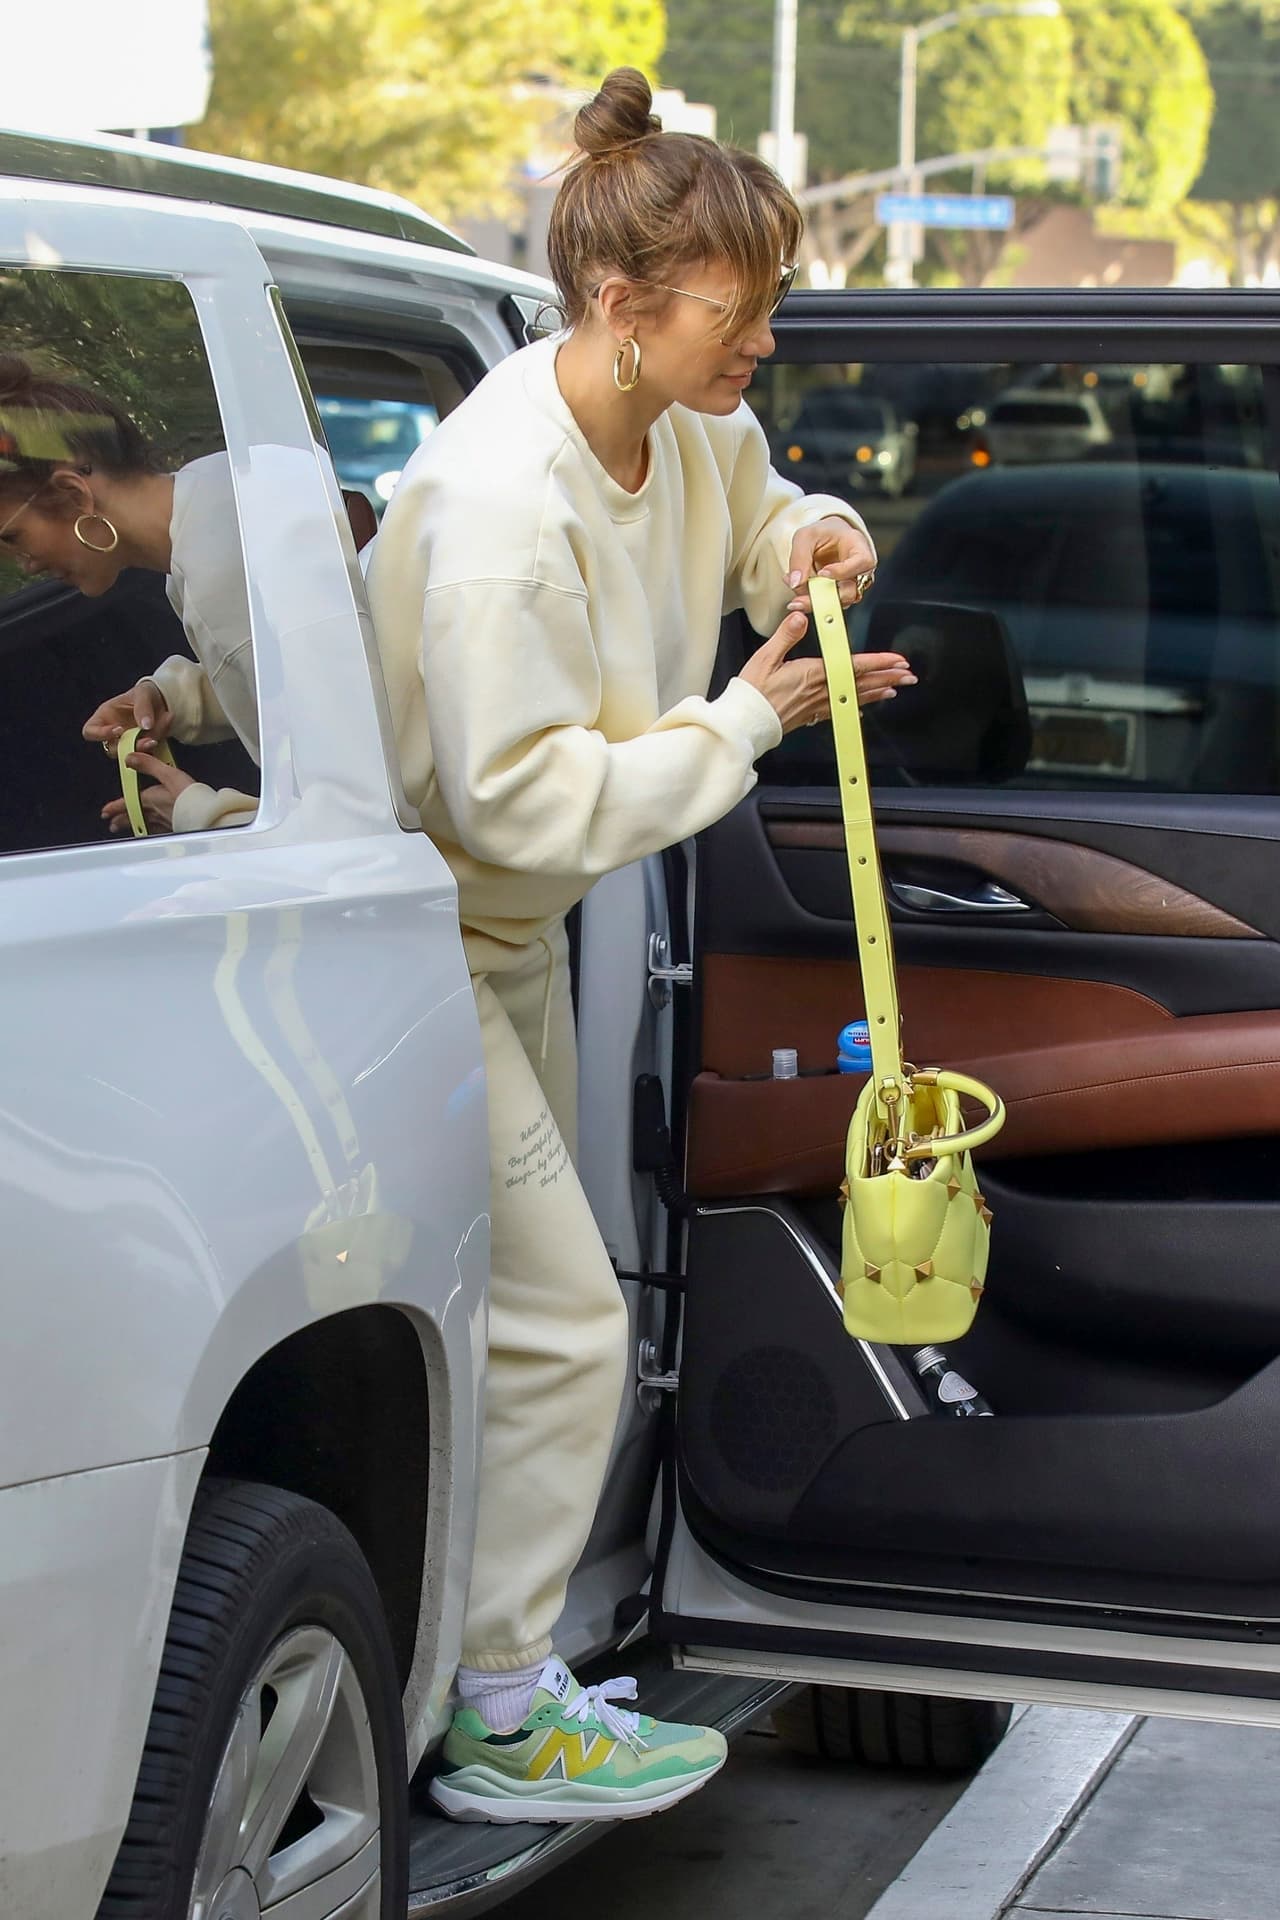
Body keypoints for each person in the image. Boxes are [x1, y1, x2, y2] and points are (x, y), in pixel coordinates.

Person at [365, 68, 916, 1826]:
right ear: (621, 305)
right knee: (565, 1327)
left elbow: (751, 503)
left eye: (766, 310)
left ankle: (475, 1674)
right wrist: (749, 717)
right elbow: (522, 807)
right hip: (420, 949)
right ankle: (508, 1712)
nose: (760, 343)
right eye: (736, 314)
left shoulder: (673, 419)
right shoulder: (500, 514)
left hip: (512, 947)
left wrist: (806, 543)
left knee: (515, 1319)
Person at [0, 354, 258, 833]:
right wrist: (177, 699)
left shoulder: (219, 578)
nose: (25, 564)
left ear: (75, 495)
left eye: (12, 537)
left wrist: (197, 812)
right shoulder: (217, 486)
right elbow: (295, 683)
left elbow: (353, 809)